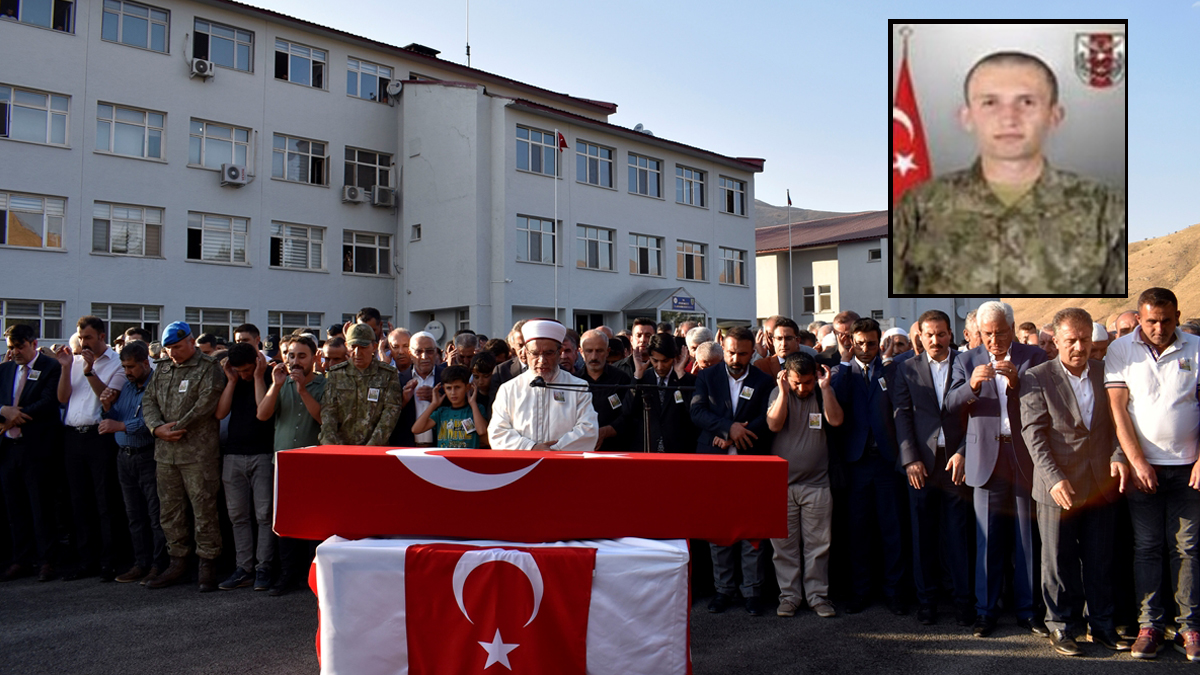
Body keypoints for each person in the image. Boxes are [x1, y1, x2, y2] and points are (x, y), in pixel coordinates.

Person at [894, 51, 1126, 294]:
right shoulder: (918, 206)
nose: (1009, 118)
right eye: (990, 103)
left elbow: (1125, 311)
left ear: (1054, 116)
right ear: (967, 117)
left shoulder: (1106, 208)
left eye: (1026, 102)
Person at [1020, 307, 1129, 655]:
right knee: (1057, 561)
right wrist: (1053, 479)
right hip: (1058, 485)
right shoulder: (1037, 377)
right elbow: (1033, 434)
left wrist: (1117, 457)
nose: (1079, 347)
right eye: (1071, 341)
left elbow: (1118, 424)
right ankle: (1060, 626)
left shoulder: (1105, 371)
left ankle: (1102, 625)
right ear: (1055, 341)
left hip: (1100, 483)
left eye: (1085, 340)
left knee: (1100, 560)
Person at [1105, 287, 1200, 660]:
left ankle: (1190, 628)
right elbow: (1118, 410)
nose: (1158, 328)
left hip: (1189, 470)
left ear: (1177, 316)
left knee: (1188, 549)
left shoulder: (1196, 348)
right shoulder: (1120, 350)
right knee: (1146, 548)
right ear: (1140, 319)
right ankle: (1151, 626)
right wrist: (1137, 461)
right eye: (1150, 321)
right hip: (1143, 470)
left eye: (1165, 320)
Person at [947, 301, 1048, 637]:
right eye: (987, 334)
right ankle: (985, 612)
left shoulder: (1032, 357)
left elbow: (1045, 401)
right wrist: (971, 386)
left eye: (999, 333)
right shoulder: (966, 359)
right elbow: (950, 405)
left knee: (1025, 539)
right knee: (987, 540)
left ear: (1011, 328)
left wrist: (1019, 383)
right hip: (985, 458)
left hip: (1022, 456)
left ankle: (1028, 610)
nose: (993, 340)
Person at [893, 310, 974, 627]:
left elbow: (976, 413)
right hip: (921, 466)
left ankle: (963, 602)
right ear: (921, 337)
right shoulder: (906, 369)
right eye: (929, 334)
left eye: (941, 334)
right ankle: (927, 602)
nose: (935, 340)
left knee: (958, 536)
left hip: (956, 463)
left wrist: (966, 451)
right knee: (923, 536)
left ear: (950, 334)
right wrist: (910, 457)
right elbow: (902, 416)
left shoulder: (966, 364)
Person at [690, 326, 774, 616]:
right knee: (718, 530)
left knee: (751, 531)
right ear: (722, 348)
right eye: (730, 352)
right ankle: (723, 590)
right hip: (715, 463)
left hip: (751, 461)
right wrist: (727, 427)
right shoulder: (707, 376)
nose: (735, 358)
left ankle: (752, 591)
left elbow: (768, 418)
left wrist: (736, 433)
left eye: (742, 353)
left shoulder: (764, 381)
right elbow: (697, 412)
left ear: (753, 353)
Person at [141, 321, 226, 592]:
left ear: (191, 342)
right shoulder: (162, 368)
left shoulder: (209, 367)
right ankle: (178, 562)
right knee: (170, 510)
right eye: (168, 348)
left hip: (197, 453)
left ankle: (208, 564)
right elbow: (148, 400)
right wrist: (156, 429)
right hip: (166, 453)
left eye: (177, 347)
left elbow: (205, 405)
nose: (172, 353)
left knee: (204, 509)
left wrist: (174, 429)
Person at [831, 317, 906, 615]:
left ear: (880, 342)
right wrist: (845, 361)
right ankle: (861, 591)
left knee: (892, 530)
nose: (865, 348)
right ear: (850, 341)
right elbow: (838, 400)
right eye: (859, 343)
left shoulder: (892, 370)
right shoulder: (841, 371)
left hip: (887, 462)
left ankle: (895, 593)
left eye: (871, 343)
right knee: (858, 531)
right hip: (857, 464)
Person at [767, 352, 842, 619]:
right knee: (784, 548)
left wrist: (825, 388)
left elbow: (836, 420)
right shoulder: (778, 394)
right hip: (782, 486)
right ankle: (789, 597)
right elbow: (774, 424)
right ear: (786, 377)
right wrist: (784, 392)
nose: (802, 388)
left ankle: (818, 597)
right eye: (797, 382)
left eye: (807, 382)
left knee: (818, 546)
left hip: (817, 485)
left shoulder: (821, 394)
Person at [54, 316, 127, 582]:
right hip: (73, 437)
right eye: (80, 337)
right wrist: (66, 368)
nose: (83, 343)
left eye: (88, 338)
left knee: (105, 501)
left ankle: (109, 561)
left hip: (100, 437)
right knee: (79, 502)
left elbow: (109, 398)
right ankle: (86, 560)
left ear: (101, 336)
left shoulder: (117, 363)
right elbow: (62, 398)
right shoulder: (71, 362)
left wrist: (89, 370)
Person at [256, 335, 324, 596]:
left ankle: (312, 578)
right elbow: (262, 414)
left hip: (313, 465)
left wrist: (302, 390)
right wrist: (276, 386)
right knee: (285, 524)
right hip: (282, 463)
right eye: (291, 356)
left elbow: (321, 417)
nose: (295, 362)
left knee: (314, 524)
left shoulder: (323, 385)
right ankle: (287, 575)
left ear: (314, 358)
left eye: (302, 356)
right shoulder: (279, 382)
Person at [99, 341, 167, 585]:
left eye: (131, 367)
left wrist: (121, 425)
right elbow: (115, 416)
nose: (127, 372)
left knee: (154, 513)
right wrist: (107, 407)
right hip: (124, 457)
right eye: (124, 366)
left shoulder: (158, 385)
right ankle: (140, 562)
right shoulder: (126, 387)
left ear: (145, 363)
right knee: (134, 514)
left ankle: (159, 565)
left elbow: (155, 421)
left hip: (147, 455)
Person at [0, 324, 62, 582]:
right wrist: (5, 411)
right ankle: (21, 559)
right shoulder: (4, 370)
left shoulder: (50, 367)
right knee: (15, 507)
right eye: (10, 347)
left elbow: (49, 401)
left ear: (33, 344)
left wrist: (16, 417)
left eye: (19, 346)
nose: (14, 352)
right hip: (8, 449)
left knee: (41, 506)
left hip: (36, 447)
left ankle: (47, 560)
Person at [214, 343, 275, 592]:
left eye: (248, 369)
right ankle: (244, 568)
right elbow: (220, 413)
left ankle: (264, 568)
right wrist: (231, 381)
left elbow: (264, 412)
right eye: (239, 370)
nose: (244, 375)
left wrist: (259, 375)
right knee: (237, 516)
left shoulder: (269, 376)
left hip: (262, 454)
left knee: (264, 515)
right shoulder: (234, 379)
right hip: (233, 455)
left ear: (258, 361)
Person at [488, 319, 598, 452]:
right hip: (522, 468)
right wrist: (531, 448)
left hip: (564, 465)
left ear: (559, 352)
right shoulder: (509, 389)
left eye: (548, 353)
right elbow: (497, 432)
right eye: (535, 353)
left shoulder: (578, 387)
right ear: (526, 353)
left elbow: (588, 430)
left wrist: (553, 451)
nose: (542, 360)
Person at [319, 324, 403, 447]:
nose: (357, 352)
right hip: (340, 449)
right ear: (347, 346)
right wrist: (332, 447)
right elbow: (328, 414)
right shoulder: (336, 374)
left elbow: (390, 415)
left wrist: (370, 448)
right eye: (353, 346)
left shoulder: (388, 374)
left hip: (375, 450)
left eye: (363, 347)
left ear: (374, 347)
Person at [627, 334, 696, 453]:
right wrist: (637, 375)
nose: (660, 366)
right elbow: (628, 411)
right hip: (647, 448)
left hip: (678, 450)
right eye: (655, 361)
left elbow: (694, 411)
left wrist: (681, 375)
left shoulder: (686, 380)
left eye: (665, 361)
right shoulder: (642, 378)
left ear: (674, 357)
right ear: (649, 357)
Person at [578, 330, 632, 453]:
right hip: (581, 449)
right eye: (589, 351)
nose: (594, 357)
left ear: (607, 352)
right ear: (581, 352)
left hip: (616, 449)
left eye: (599, 351)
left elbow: (628, 415)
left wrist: (605, 432)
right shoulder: (573, 381)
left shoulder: (621, 379)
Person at [412, 365, 488, 448]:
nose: (453, 392)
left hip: (467, 459)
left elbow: (481, 431)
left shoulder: (475, 409)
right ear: (444, 389)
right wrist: (433, 404)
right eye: (448, 388)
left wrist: (473, 404)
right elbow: (416, 429)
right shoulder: (441, 412)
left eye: (457, 387)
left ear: (467, 387)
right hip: (445, 460)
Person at [391, 331, 445, 447]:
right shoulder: (398, 380)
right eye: (418, 351)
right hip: (407, 447)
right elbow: (389, 417)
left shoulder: (446, 377)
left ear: (436, 352)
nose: (424, 356)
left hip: (440, 446)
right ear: (410, 354)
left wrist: (439, 399)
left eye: (429, 351)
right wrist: (403, 400)